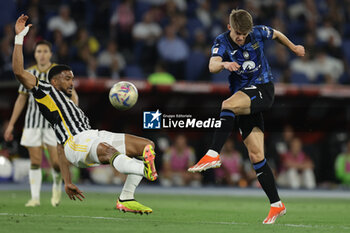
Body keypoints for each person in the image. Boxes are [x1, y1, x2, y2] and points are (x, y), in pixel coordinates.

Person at [12, 15, 158, 214]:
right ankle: (145, 171)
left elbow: (58, 146)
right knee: (108, 151)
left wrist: (67, 181)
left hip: (91, 135)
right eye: (67, 79)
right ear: (54, 82)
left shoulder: (73, 105)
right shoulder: (45, 91)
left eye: (72, 79)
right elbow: (19, 72)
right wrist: (19, 38)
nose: (71, 82)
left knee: (147, 146)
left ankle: (126, 198)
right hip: (76, 141)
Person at [188, 9, 305, 224]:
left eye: (245, 34)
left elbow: (277, 34)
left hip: (262, 88)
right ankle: (277, 205)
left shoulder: (258, 33)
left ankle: (213, 153)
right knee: (256, 156)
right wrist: (224, 64)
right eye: (238, 33)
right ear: (229, 27)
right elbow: (212, 65)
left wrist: (294, 47)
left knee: (227, 104)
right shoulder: (221, 41)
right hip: (245, 97)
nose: (242, 37)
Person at [4, 40, 75, 207]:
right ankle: (35, 198)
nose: (42, 55)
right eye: (38, 52)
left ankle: (57, 186)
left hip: (53, 124)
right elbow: (21, 99)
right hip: (32, 123)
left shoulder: (59, 72)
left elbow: (72, 94)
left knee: (56, 163)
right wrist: (11, 124)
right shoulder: (29, 73)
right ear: (35, 54)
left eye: (45, 51)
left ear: (50, 54)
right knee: (35, 161)